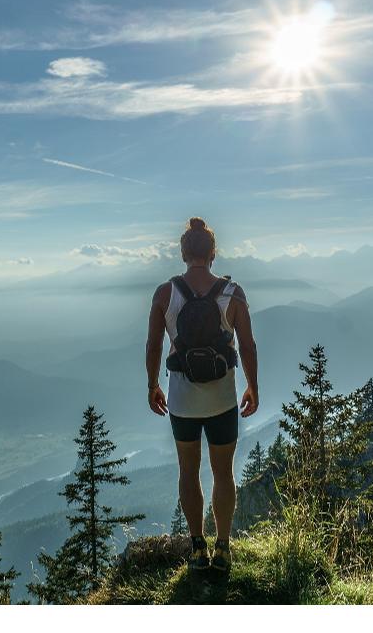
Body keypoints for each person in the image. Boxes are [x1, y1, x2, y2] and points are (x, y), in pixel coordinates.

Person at [146, 216, 259, 573]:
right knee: (223, 473)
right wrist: (253, 386)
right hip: (223, 399)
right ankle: (223, 548)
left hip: (182, 401)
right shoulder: (233, 293)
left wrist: (153, 385)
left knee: (188, 471)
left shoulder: (166, 293)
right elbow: (248, 345)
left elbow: (153, 344)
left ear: (183, 253)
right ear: (213, 253)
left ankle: (197, 549)